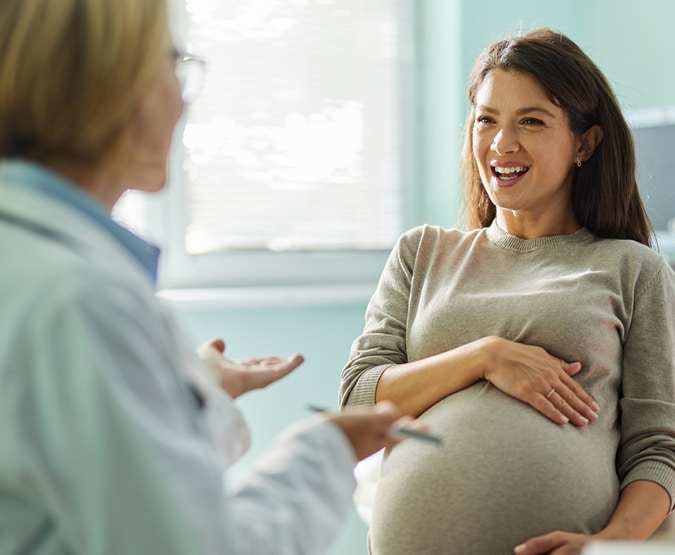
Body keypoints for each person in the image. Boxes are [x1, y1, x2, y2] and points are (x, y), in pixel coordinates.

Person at [0, 1, 427, 553]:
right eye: (173, 64)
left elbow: (98, 478)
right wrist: (324, 452)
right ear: (113, 79)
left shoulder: (35, 267)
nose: (181, 98)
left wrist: (189, 393)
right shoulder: (81, 301)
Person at [339, 27, 675, 555]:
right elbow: (360, 398)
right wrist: (484, 357)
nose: (502, 144)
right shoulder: (421, 253)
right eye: (486, 120)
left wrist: (608, 547)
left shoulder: (634, 269)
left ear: (585, 143)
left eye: (531, 122)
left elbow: (659, 449)